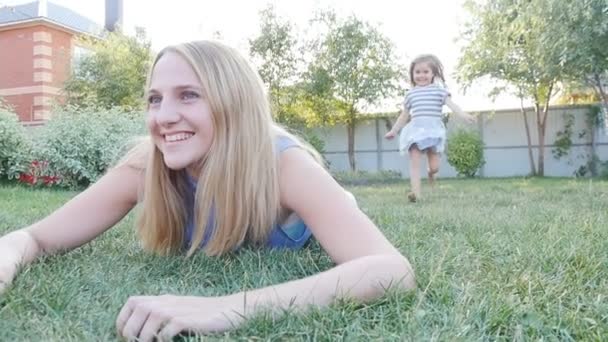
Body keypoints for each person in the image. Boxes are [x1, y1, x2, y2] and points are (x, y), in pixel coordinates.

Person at [0, 40, 415, 341]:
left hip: (315, 207)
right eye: (154, 99)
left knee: (341, 206)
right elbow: (35, 236)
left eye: (189, 96)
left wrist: (224, 307)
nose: (164, 116)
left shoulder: (284, 166)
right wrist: (7, 255)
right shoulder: (147, 165)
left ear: (233, 103)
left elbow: (390, 270)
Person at [385, 54, 475, 202]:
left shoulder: (439, 91)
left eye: (425, 72)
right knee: (414, 160)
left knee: (435, 167)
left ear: (433, 74)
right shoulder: (410, 94)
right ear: (413, 74)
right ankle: (415, 194)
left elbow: (452, 105)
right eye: (417, 72)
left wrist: (463, 114)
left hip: (433, 132)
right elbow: (404, 115)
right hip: (416, 131)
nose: (421, 75)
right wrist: (394, 131)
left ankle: (431, 174)